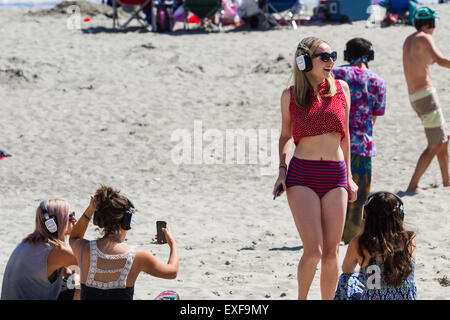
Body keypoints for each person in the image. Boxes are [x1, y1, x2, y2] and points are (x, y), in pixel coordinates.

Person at [273, 37, 358, 300]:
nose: (331, 60)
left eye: (333, 55)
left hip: (336, 175)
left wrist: (351, 178)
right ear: (305, 61)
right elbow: (286, 136)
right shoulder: (290, 95)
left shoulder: (342, 89)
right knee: (314, 252)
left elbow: (345, 135)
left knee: (332, 253)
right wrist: (282, 169)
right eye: (324, 56)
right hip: (302, 176)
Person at [69, 185, 179, 300]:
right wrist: (173, 244)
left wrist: (90, 209)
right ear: (127, 221)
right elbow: (172, 272)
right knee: (171, 296)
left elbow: (74, 237)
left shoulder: (83, 249)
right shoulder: (137, 255)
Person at [333, 38, 387, 245]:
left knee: (333, 195)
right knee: (359, 199)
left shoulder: (335, 74)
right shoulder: (378, 82)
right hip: (362, 145)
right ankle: (351, 238)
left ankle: (332, 235)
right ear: (370, 56)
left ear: (347, 55)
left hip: (334, 143)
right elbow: (374, 117)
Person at [334, 191, 417, 300]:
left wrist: (367, 274)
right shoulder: (410, 239)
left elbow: (347, 269)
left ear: (366, 214)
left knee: (346, 279)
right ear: (400, 216)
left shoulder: (360, 242)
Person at [403, 6, 450, 193]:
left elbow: (422, 62)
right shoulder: (424, 37)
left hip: (415, 97)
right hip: (425, 96)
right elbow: (439, 60)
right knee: (436, 143)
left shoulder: (409, 40)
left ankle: (447, 180)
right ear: (432, 22)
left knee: (443, 137)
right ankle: (413, 185)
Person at [1, 199, 80, 300]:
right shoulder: (59, 251)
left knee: (74, 278)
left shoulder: (27, 243)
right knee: (82, 285)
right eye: (70, 216)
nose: (75, 219)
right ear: (53, 224)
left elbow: (68, 271)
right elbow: (88, 269)